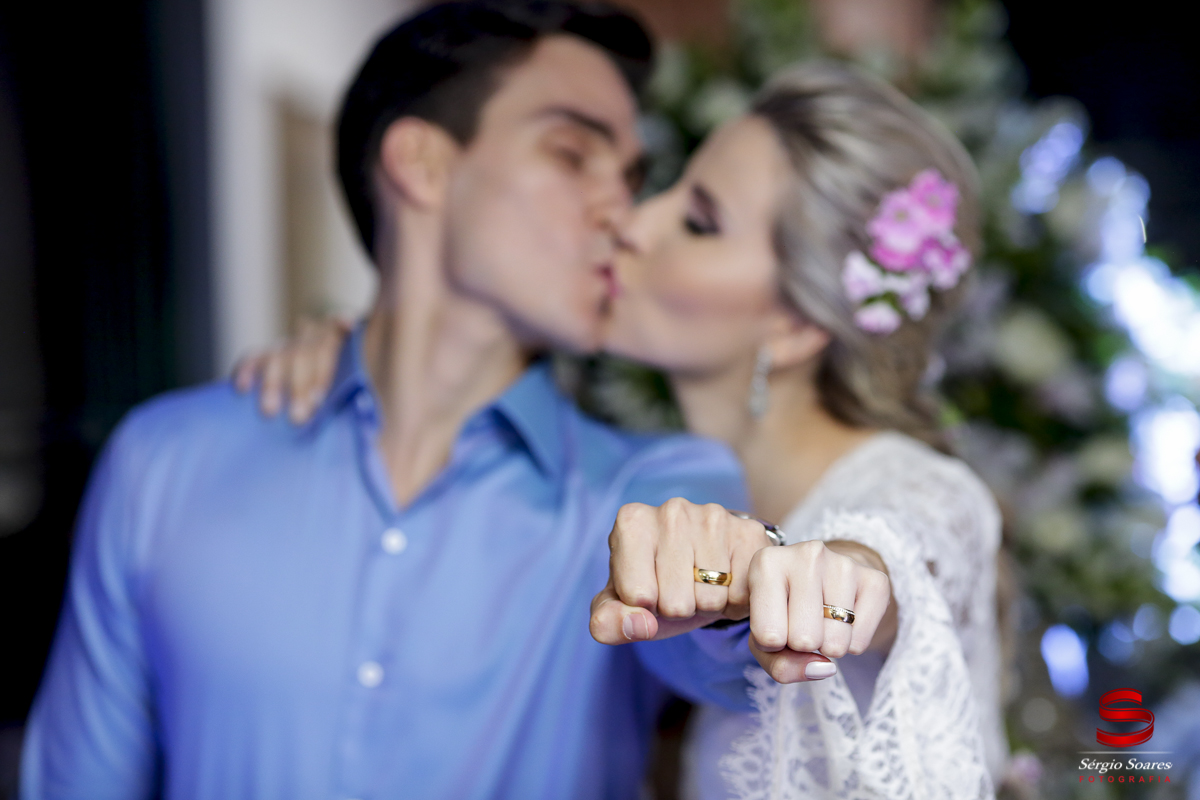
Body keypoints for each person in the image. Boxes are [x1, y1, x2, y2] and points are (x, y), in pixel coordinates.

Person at [24, 4, 855, 798]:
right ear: (421, 163)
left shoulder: (651, 482)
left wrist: (729, 584)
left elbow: (723, 646)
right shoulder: (164, 461)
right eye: (573, 155)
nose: (624, 214)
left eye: (632, 177)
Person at [248, 63, 1006, 799]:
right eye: (663, 191)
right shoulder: (652, 476)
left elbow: (879, 575)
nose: (632, 224)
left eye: (698, 223)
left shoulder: (924, 496)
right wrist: (364, 363)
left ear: (793, 323)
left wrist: (786, 577)